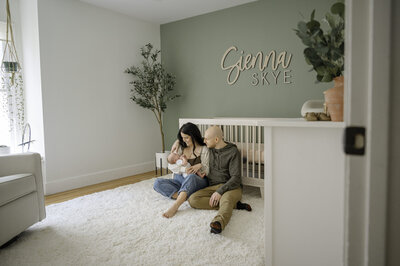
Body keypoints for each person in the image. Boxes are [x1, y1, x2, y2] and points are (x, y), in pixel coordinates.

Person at [179, 126, 251, 234]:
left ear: (216, 140)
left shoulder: (233, 152)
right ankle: (235, 205)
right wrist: (177, 142)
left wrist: (220, 192)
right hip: (213, 186)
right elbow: (191, 139)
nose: (204, 141)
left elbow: (236, 178)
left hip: (231, 187)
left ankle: (218, 223)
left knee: (226, 200)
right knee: (192, 199)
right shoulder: (209, 148)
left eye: (206, 139)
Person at [153, 122, 209, 218]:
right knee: (157, 183)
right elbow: (171, 166)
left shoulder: (204, 149)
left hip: (196, 180)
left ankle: (176, 206)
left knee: (191, 176)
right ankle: (184, 196)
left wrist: (199, 166)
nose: (184, 140)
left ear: (193, 135)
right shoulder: (181, 147)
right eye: (182, 138)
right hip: (181, 180)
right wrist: (184, 168)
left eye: (186, 137)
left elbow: (207, 170)